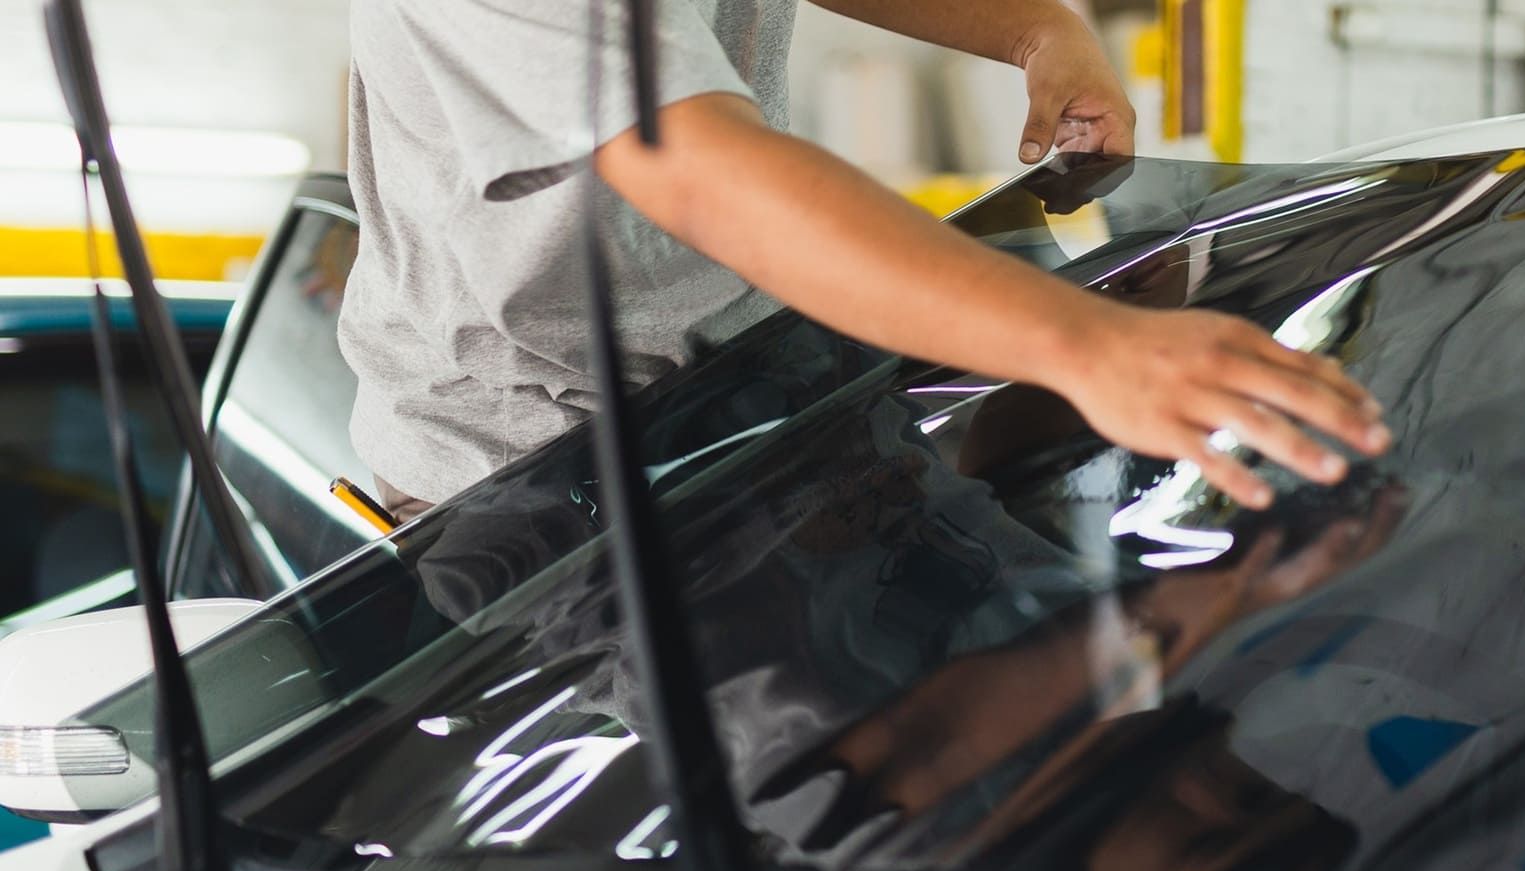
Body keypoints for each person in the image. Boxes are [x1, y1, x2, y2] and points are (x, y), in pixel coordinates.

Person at [337, 0, 1391, 522]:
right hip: (539, 485)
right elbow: (700, 171)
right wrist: (1083, 342)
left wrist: (1033, 29)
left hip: (743, 397)